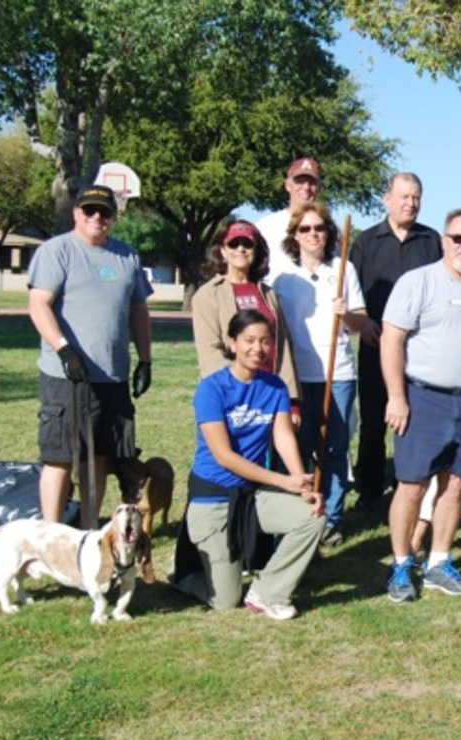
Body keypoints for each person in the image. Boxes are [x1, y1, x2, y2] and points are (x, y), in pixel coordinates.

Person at [380, 209, 461, 602]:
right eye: (459, 238)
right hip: (422, 398)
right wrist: (397, 396)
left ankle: (438, 562)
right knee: (412, 486)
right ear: (444, 240)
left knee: (455, 487)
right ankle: (401, 567)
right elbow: (391, 340)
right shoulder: (417, 282)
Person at [172, 309, 325, 620]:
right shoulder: (211, 389)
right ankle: (185, 577)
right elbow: (223, 456)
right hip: (212, 499)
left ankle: (268, 592)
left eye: (266, 341)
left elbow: (283, 438)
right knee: (226, 601)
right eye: (249, 340)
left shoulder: (275, 386)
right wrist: (283, 482)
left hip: (252, 494)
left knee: (313, 517)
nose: (258, 348)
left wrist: (302, 483)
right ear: (232, 343)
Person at [27, 184, 152, 527]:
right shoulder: (58, 251)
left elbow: (138, 309)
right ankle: (51, 536)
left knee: (98, 457)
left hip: (112, 375)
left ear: (114, 216)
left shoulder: (127, 256)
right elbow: (38, 305)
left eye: (105, 212)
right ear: (76, 213)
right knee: (61, 458)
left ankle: (88, 530)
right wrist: (64, 349)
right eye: (90, 211)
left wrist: (145, 359)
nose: (98, 217)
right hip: (67, 375)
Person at [271, 202, 368, 546]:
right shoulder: (282, 278)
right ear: (294, 236)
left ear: (329, 234)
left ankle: (333, 517)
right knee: (298, 446)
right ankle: (298, 513)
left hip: (337, 374)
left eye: (319, 228)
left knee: (335, 448)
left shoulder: (343, 270)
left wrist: (346, 314)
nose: (313, 234)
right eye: (306, 229)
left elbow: (361, 324)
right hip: (296, 378)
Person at [351, 172, 443, 512]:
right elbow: (352, 291)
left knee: (414, 419)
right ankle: (370, 488)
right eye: (404, 196)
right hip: (376, 343)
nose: (411, 203)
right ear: (387, 198)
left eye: (416, 196)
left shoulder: (432, 241)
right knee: (373, 419)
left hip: (419, 349)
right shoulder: (366, 242)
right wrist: (364, 324)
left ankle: (409, 484)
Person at [191, 221, 299, 405]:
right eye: (233, 243)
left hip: (272, 393)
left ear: (256, 250)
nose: (240, 249)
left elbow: (282, 347)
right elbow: (209, 352)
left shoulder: (269, 294)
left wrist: (292, 399)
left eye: (247, 244)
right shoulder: (208, 295)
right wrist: (243, 387)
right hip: (231, 395)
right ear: (222, 251)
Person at [256, 157, 322, 277]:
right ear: (287, 185)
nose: (306, 187)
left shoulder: (327, 230)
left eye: (312, 182)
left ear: (319, 187)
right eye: (300, 181)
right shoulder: (266, 226)